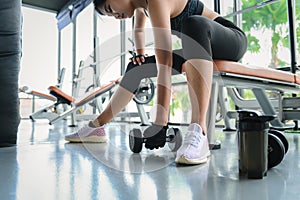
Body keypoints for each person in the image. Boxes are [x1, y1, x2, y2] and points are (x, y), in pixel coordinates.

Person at [65, 0, 247, 165]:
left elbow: (165, 64)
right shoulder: (140, 7)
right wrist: (140, 54)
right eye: (110, 15)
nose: (115, 17)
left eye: (111, 9)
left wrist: (160, 123)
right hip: (197, 45)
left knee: (193, 24)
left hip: (229, 40)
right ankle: (96, 128)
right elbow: (138, 30)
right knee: (136, 68)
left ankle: (199, 132)